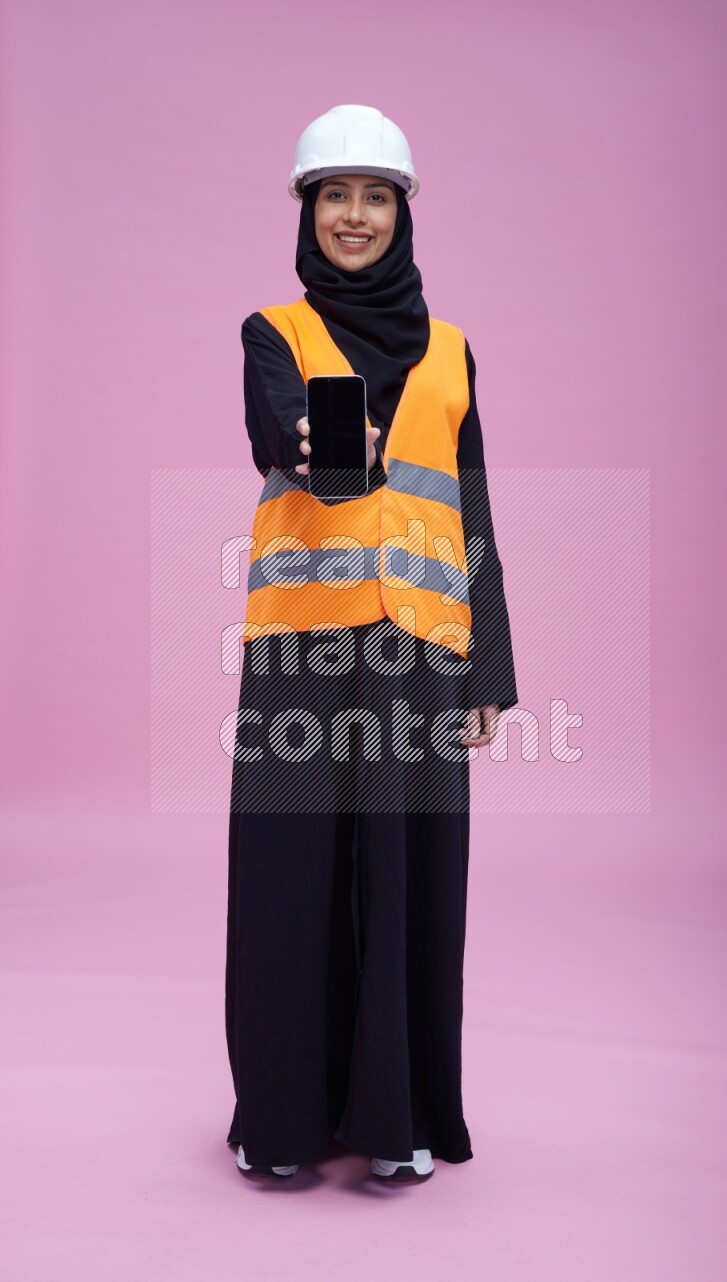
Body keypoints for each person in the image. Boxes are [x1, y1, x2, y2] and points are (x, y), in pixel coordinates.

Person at [225, 104, 518, 1183]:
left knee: (409, 878)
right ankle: (282, 1120)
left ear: (401, 213)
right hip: (302, 647)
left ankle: (394, 1119)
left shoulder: (452, 353)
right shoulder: (274, 331)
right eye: (334, 196)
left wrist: (489, 668)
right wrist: (304, 442)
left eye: (375, 197)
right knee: (288, 875)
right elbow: (271, 425)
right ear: (309, 210)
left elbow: (472, 515)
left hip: (422, 658)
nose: (355, 215)